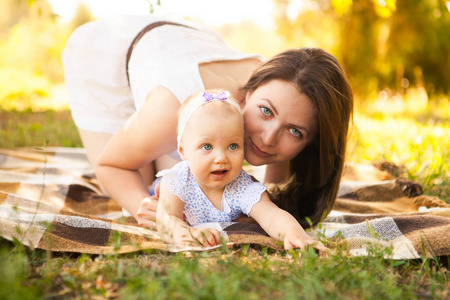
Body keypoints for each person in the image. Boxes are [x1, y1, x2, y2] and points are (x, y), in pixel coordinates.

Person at [62, 15, 353, 245]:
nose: (268, 138)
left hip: (185, 43)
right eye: (265, 111)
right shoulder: (181, 102)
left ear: (311, 142)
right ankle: (151, 143)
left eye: (295, 132)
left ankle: (157, 148)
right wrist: (156, 213)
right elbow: (110, 165)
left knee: (192, 169)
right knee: (140, 181)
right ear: (249, 92)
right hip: (110, 52)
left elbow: (271, 196)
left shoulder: (290, 97)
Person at [155, 90, 325, 250]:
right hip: (156, 189)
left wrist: (294, 234)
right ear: (183, 150)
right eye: (207, 146)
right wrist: (188, 234)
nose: (221, 158)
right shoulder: (177, 180)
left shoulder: (242, 186)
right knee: (154, 185)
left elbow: (272, 215)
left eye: (233, 145)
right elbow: (167, 220)